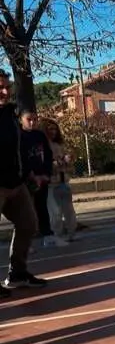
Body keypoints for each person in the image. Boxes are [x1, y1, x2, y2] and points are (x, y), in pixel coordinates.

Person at [0, 69, 46, 297]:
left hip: (16, 183)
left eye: (7, 86)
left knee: (29, 224)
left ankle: (17, 273)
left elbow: (19, 149)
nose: (5, 91)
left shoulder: (10, 115)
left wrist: (29, 175)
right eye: (0, 87)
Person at [19, 109, 64, 247]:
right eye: (29, 119)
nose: (32, 122)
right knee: (26, 211)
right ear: (21, 120)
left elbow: (48, 155)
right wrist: (30, 175)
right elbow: (20, 158)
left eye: (35, 119)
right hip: (26, 180)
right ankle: (25, 242)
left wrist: (45, 173)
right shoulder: (19, 136)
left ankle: (48, 236)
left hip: (42, 178)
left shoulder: (39, 135)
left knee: (42, 207)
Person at [42, 118, 78, 241]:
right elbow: (46, 165)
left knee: (69, 211)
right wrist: (61, 161)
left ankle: (71, 232)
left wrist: (69, 161)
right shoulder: (44, 146)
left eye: (55, 129)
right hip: (52, 184)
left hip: (64, 181)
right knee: (55, 213)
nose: (53, 132)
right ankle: (57, 234)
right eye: (50, 129)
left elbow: (70, 165)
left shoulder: (61, 145)